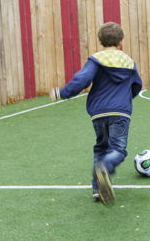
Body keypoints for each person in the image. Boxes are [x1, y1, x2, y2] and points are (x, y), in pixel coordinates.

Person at [49, 22, 142, 206]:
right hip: (120, 112)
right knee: (118, 150)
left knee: (101, 147)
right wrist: (125, 99)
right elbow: (137, 86)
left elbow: (82, 79)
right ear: (121, 42)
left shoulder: (96, 60)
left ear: (100, 41)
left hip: (98, 112)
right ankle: (105, 167)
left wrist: (63, 92)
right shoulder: (129, 62)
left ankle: (97, 189)